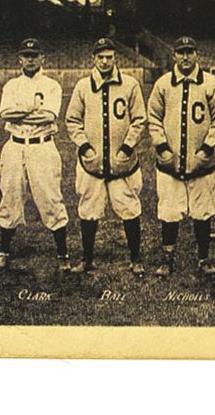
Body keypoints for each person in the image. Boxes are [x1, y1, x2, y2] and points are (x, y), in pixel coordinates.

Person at [63, 38, 146, 273]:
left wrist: (128, 147)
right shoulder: (82, 86)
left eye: (109, 57)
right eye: (101, 57)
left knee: (129, 208)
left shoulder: (130, 85)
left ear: (115, 58)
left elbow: (139, 119)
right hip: (93, 162)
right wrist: (84, 146)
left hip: (122, 163)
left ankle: (135, 259)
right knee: (89, 209)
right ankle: (87, 259)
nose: (105, 61)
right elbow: (72, 120)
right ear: (94, 59)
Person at [147, 36, 215, 275]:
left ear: (197, 55)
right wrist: (162, 147)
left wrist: (207, 147)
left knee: (202, 210)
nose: (185, 57)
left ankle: (203, 259)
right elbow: (153, 118)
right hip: (170, 162)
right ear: (174, 56)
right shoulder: (163, 84)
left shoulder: (211, 84)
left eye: (189, 52)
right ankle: (167, 258)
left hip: (202, 162)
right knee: (170, 211)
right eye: (180, 52)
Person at [0, 39, 69, 270]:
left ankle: (63, 255)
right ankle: (3, 251)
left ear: (42, 58)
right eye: (26, 55)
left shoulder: (51, 85)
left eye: (34, 55)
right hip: (15, 146)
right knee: (10, 195)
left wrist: (20, 113)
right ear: (20, 59)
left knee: (50, 197)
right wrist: (32, 110)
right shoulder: (12, 85)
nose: (30, 59)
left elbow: (49, 116)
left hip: (42, 146)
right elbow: (5, 113)